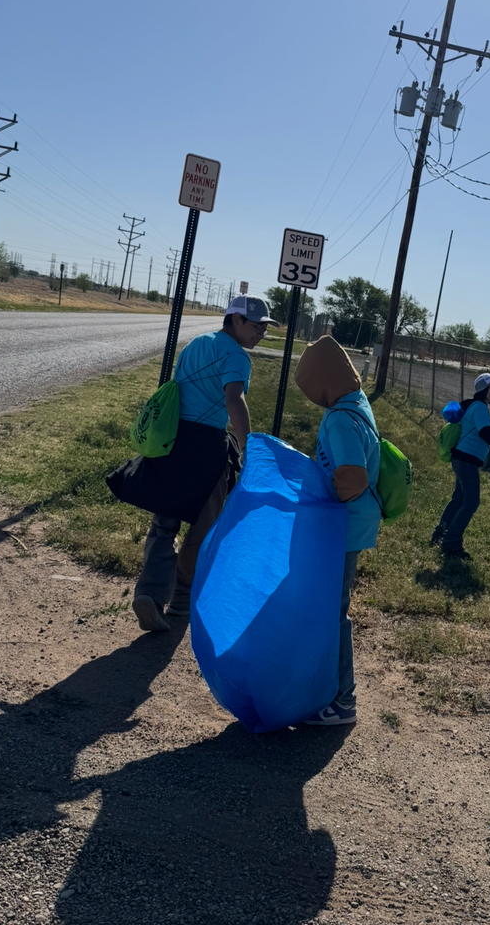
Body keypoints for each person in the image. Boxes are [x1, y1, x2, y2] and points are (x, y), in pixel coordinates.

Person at [107, 295, 271, 632]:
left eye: (265, 329)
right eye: (257, 326)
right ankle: (183, 600)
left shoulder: (197, 343)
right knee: (204, 528)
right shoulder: (236, 356)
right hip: (207, 447)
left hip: (173, 441)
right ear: (236, 320)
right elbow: (234, 398)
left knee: (164, 525)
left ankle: (150, 595)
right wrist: (249, 448)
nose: (261, 334)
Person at [294, 335, 381, 725]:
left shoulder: (342, 419)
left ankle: (342, 700)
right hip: (349, 527)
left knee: (333, 613)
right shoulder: (356, 405)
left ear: (324, 388)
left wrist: (324, 506)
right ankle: (324, 686)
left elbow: (352, 477)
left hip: (341, 529)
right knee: (330, 609)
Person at [432, 372, 490, 560]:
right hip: (466, 460)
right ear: (482, 389)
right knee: (471, 501)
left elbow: (479, 427)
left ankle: (440, 534)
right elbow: (487, 435)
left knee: (459, 499)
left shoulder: (475, 406)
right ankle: (451, 543)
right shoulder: (479, 407)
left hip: (461, 458)